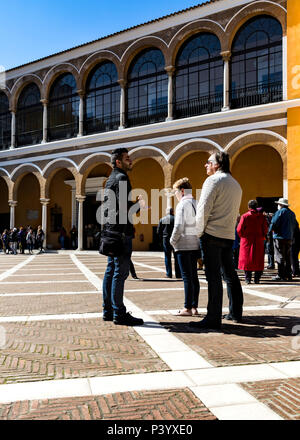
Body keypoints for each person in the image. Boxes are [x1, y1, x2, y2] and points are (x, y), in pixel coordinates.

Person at [191, 152, 244, 330]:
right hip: (228, 236)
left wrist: (198, 233)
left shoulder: (213, 181)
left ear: (217, 164)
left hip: (212, 235)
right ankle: (236, 312)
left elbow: (204, 209)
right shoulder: (236, 184)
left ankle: (213, 318)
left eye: (208, 162)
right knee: (230, 275)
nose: (205, 165)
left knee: (213, 277)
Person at [101, 147, 144, 326]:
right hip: (121, 233)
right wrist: (139, 205)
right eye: (127, 158)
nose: (131, 161)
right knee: (120, 273)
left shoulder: (110, 180)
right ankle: (119, 313)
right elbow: (124, 208)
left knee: (111, 271)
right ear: (118, 162)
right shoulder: (122, 178)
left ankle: (108, 310)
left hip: (110, 231)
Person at [170, 178, 200, 316]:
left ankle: (187, 308)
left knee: (187, 277)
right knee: (194, 277)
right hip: (195, 244)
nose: (175, 194)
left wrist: (172, 241)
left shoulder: (182, 204)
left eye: (176, 191)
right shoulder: (196, 202)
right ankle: (194, 306)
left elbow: (178, 226)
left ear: (182, 191)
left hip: (183, 245)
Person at [237, 200, 269, 284]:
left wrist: (242, 236)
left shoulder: (245, 216)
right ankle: (257, 279)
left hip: (247, 240)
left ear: (248, 207)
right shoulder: (262, 217)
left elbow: (239, 229)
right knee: (258, 259)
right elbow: (265, 229)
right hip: (258, 240)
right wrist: (263, 235)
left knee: (247, 259)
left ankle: (248, 278)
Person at [269, 198, 297, 281]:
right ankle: (289, 275)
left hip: (279, 237)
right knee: (287, 257)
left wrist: (270, 232)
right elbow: (295, 225)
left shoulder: (279, 212)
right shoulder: (292, 213)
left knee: (280, 256)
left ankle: (281, 275)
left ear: (280, 205)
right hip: (289, 237)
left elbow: (274, 223)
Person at [157, 208, 181, 279]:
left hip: (166, 239)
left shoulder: (162, 219)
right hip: (175, 239)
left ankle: (169, 274)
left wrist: (161, 238)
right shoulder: (176, 219)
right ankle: (178, 274)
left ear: (166, 212)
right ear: (173, 212)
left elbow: (158, 231)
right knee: (177, 257)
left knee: (167, 257)